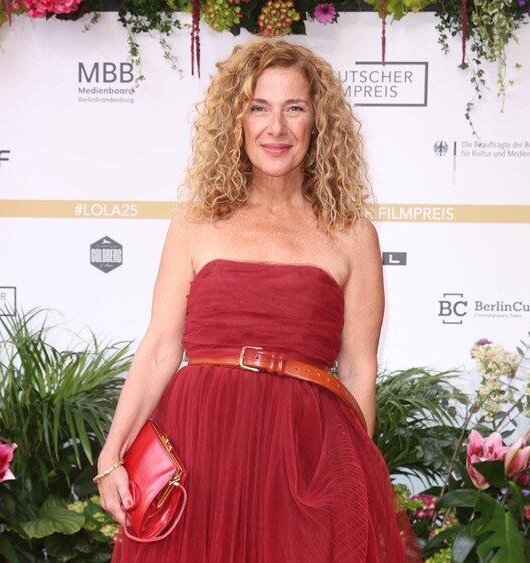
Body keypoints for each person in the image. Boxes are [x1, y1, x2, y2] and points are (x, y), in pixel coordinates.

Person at [97, 37, 423, 562]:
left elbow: (359, 367)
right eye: (259, 108)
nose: (276, 127)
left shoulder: (351, 235)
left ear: (317, 123)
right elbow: (160, 348)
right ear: (237, 121)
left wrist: (351, 469)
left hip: (304, 452)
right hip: (201, 447)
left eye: (294, 108)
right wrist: (112, 455)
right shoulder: (196, 224)